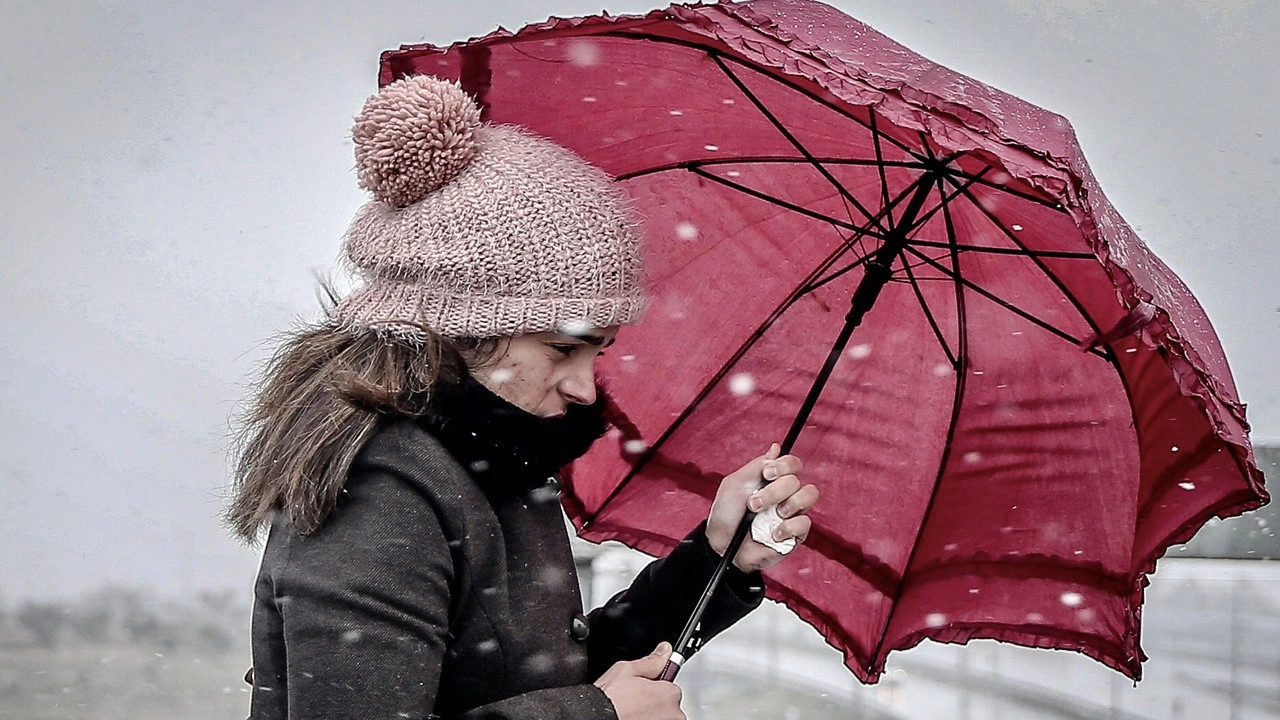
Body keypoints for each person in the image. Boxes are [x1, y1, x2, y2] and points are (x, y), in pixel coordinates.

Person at [226, 75, 819, 720]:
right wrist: (600, 715)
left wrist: (718, 558)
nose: (586, 386)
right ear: (463, 329)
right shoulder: (380, 493)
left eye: (600, 351)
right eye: (563, 348)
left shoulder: (489, 467)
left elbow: (533, 676)